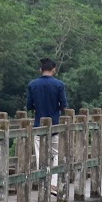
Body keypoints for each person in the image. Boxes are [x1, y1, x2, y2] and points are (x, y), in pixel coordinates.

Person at [26, 58, 68, 187]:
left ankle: (43, 183)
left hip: (38, 125)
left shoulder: (32, 85)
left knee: (40, 156)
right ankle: (53, 184)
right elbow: (64, 105)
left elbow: (28, 106)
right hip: (55, 125)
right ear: (53, 69)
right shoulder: (59, 85)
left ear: (41, 69)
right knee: (55, 155)